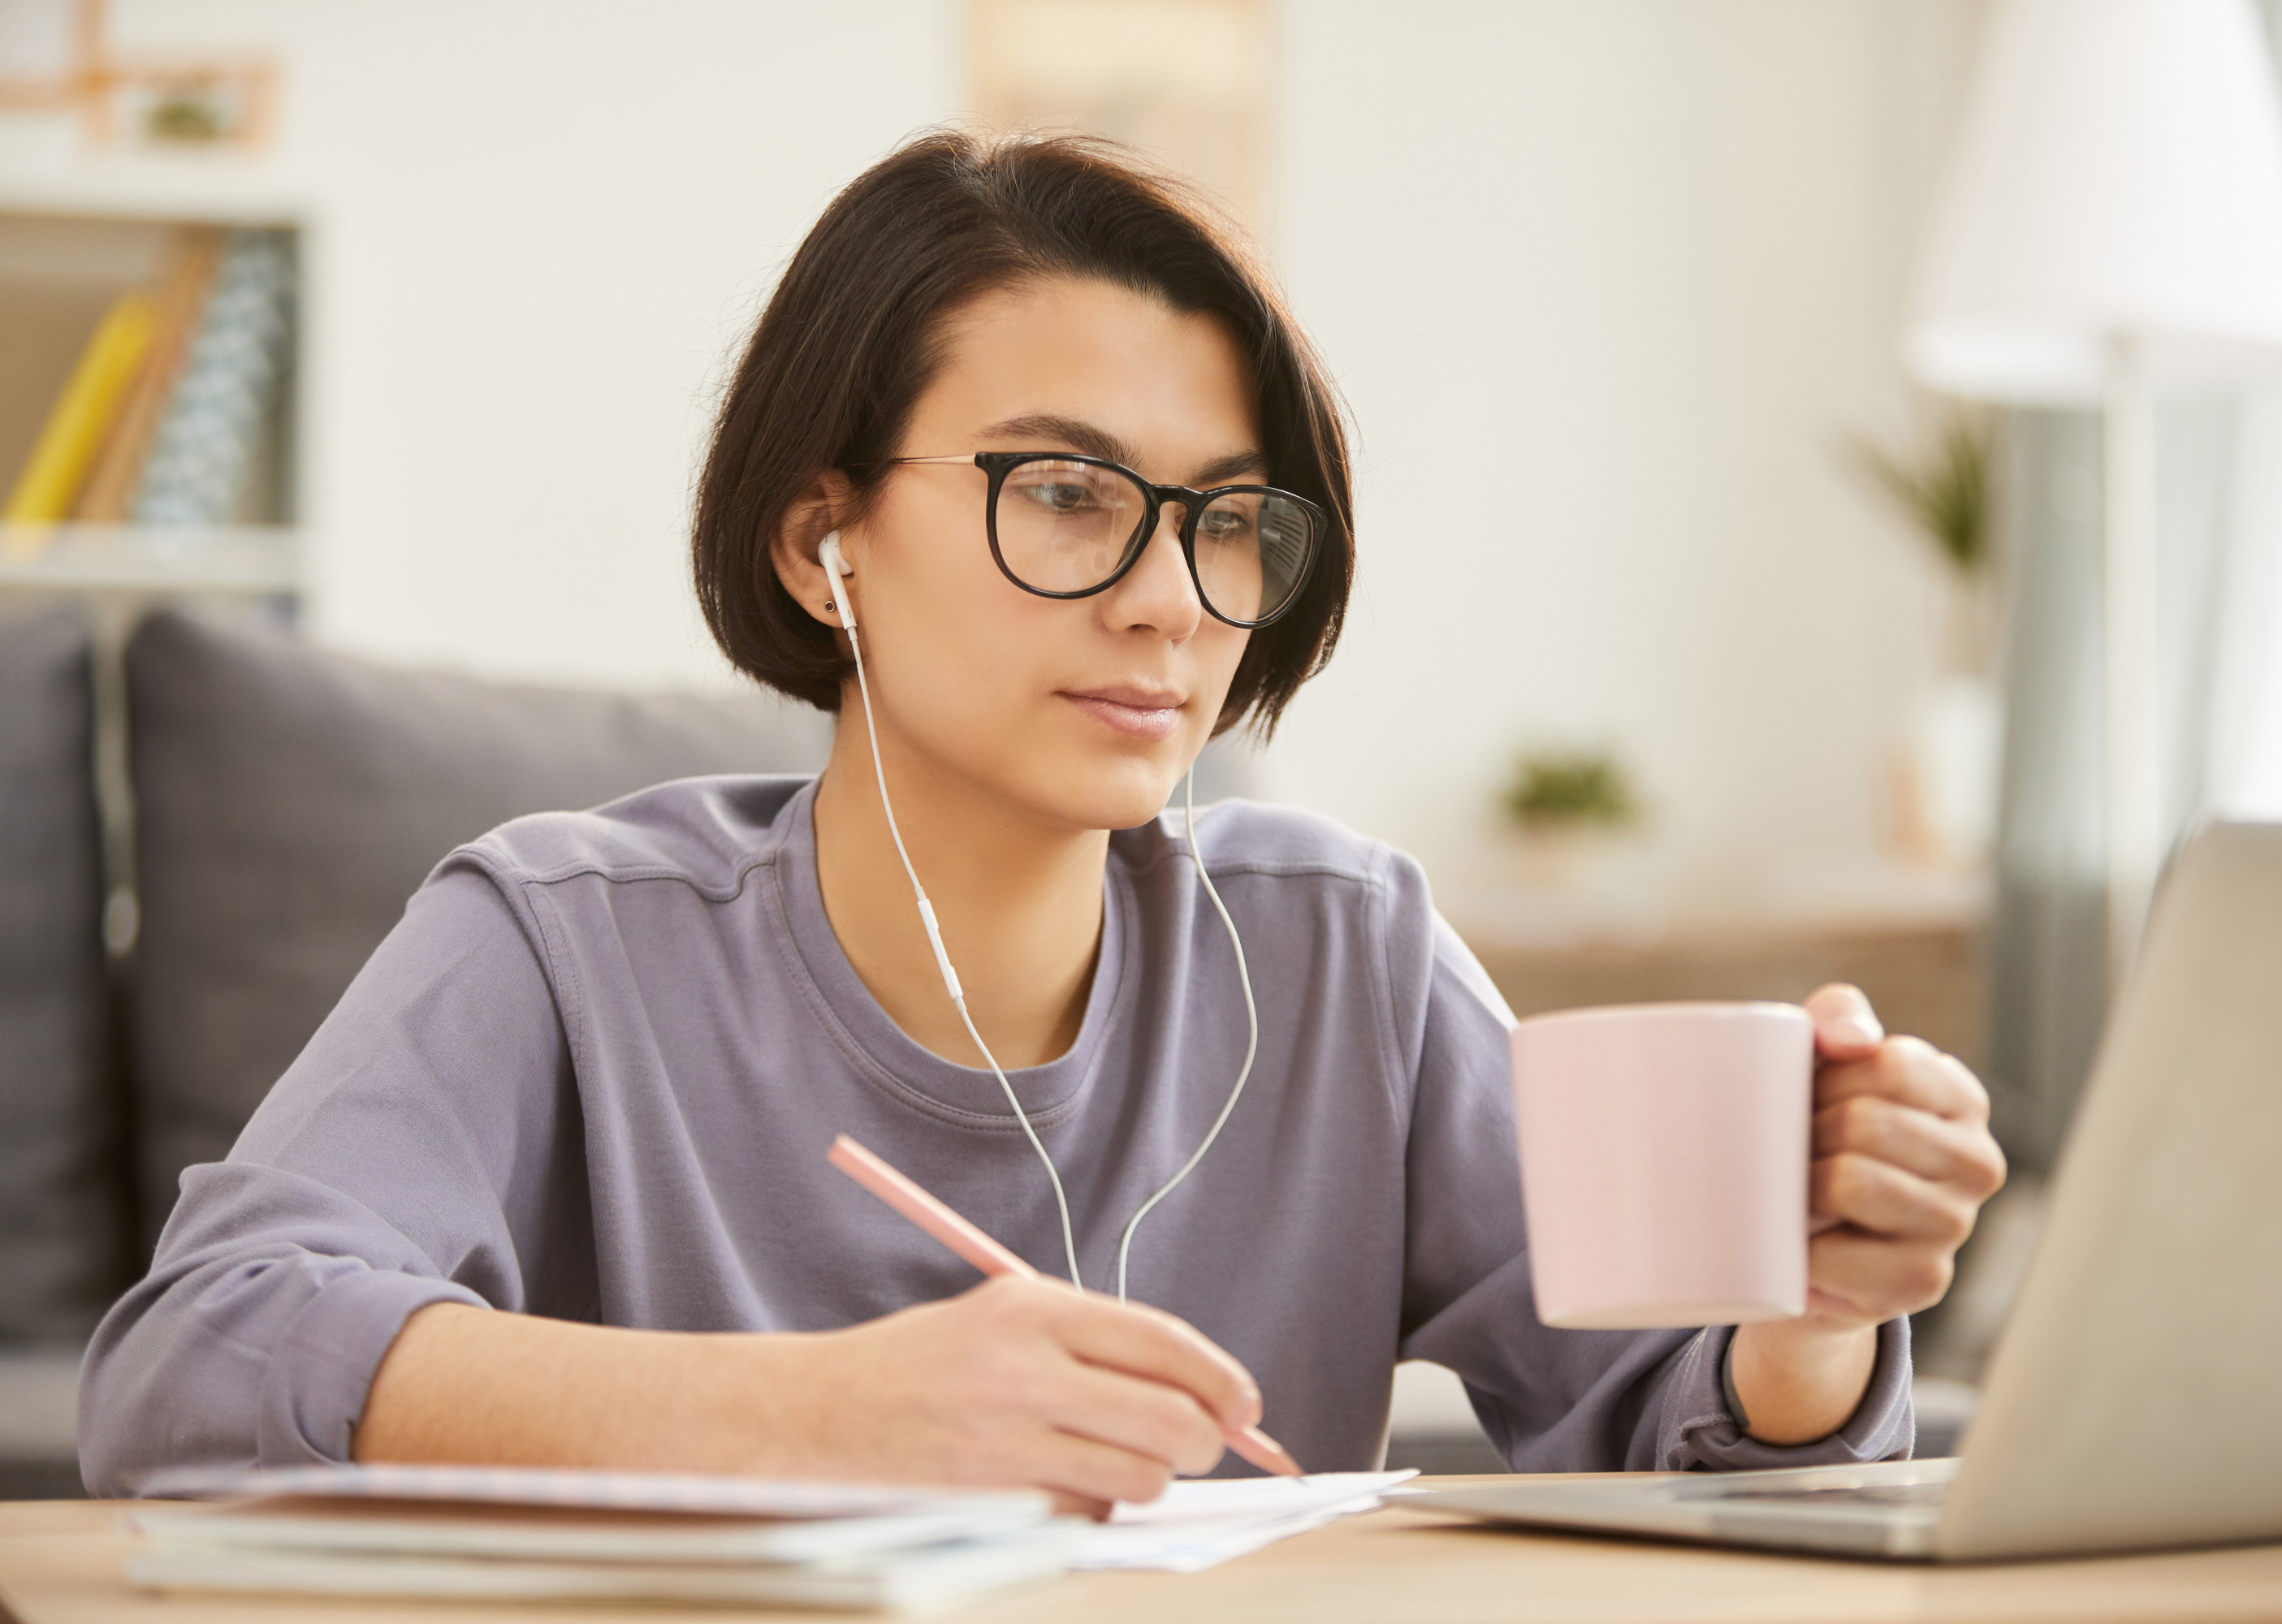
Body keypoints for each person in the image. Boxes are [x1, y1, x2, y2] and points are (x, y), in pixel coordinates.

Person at [80, 132, 2007, 1514]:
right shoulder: (562, 936)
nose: (1173, 596)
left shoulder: (1347, 949)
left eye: (1231, 519)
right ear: (822, 541)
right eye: (1070, 495)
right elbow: (200, 1355)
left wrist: (1811, 1305)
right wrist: (811, 1418)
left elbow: (1683, 1427)